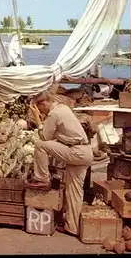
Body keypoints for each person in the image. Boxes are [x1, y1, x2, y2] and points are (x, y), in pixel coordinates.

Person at [30, 91, 93, 237]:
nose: (41, 111)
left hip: (76, 152)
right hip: (85, 151)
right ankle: (72, 227)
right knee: (74, 190)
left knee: (40, 145)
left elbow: (45, 137)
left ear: (44, 103)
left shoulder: (54, 114)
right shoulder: (63, 108)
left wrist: (38, 119)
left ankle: (42, 178)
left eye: (40, 108)